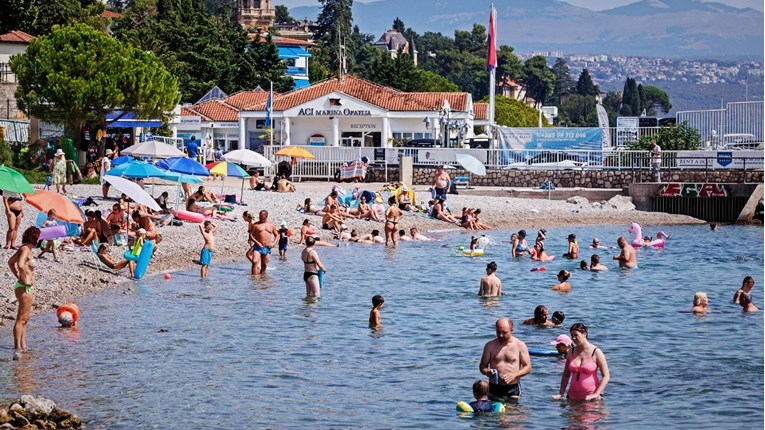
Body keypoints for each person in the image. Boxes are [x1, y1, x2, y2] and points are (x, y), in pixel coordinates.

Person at [552, 323, 610, 402]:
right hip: (572, 396)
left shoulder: (596, 352)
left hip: (591, 397)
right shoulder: (571, 352)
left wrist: (597, 393)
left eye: (576, 335)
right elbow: (566, 375)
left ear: (584, 334)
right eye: (572, 336)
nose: (574, 338)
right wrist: (561, 393)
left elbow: (606, 376)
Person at [479, 318, 532, 401]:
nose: (501, 335)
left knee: (513, 413)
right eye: (498, 332)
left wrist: (514, 374)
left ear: (512, 330)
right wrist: (487, 372)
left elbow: (528, 368)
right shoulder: (490, 345)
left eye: (504, 332)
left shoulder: (520, 345)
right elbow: (482, 366)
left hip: (512, 388)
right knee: (494, 413)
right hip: (493, 387)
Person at [8, 226, 40, 360]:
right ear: (34, 237)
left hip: (24, 287)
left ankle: (23, 345)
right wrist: (23, 278)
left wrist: (19, 277)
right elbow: (20, 264)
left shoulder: (24, 249)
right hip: (24, 287)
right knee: (21, 319)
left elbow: (10, 262)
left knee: (25, 319)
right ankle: (17, 348)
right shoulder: (25, 249)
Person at [249, 210, 279, 275]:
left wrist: (274, 243)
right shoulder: (256, 225)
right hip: (257, 246)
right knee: (254, 262)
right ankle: (254, 278)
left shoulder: (271, 225)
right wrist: (257, 243)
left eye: (261, 216)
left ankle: (263, 280)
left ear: (266, 216)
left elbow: (277, 235)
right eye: (259, 216)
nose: (259, 217)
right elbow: (251, 235)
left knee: (264, 264)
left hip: (267, 247)